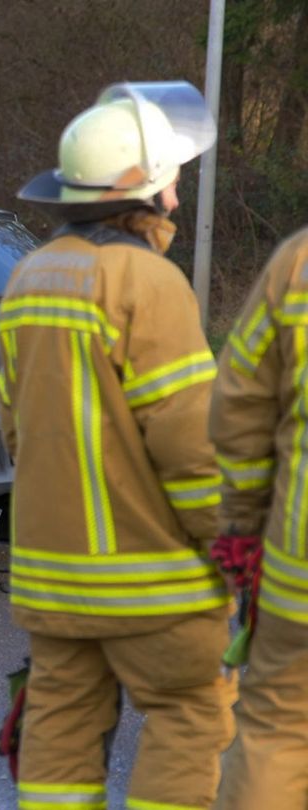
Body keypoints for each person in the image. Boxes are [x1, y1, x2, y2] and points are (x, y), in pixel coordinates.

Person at [0, 81, 232, 809]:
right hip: (153, 584)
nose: (179, 194)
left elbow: (13, 428)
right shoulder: (148, 281)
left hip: (50, 582)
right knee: (191, 715)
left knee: (59, 737)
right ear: (147, 190)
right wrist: (234, 547)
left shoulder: (30, 278)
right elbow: (192, 445)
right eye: (174, 179)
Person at [210, 211, 308, 805]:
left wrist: (242, 528)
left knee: (276, 733)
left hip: (298, 577)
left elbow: (240, 410)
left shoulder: (297, 264)